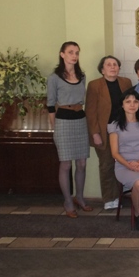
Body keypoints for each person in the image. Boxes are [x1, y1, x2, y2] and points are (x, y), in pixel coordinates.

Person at [46, 41, 91, 218]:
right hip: (63, 121)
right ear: (62, 54)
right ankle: (68, 201)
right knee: (65, 164)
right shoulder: (54, 78)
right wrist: (54, 129)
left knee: (82, 163)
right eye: (71, 52)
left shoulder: (82, 76)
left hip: (80, 119)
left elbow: (83, 100)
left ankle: (79, 197)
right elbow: (51, 105)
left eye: (77, 52)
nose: (74, 56)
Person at [86, 55, 132, 210]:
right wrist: (95, 133)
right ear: (102, 69)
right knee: (106, 165)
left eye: (115, 64)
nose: (113, 67)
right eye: (109, 65)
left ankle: (119, 196)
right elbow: (90, 111)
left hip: (122, 130)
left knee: (121, 164)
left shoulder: (126, 83)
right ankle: (109, 198)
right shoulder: (94, 85)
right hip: (103, 132)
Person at [107, 89, 139, 231]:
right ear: (122, 105)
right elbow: (115, 153)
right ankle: (138, 215)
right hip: (123, 164)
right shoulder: (114, 125)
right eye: (128, 102)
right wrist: (130, 165)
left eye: (135, 101)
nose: (132, 105)